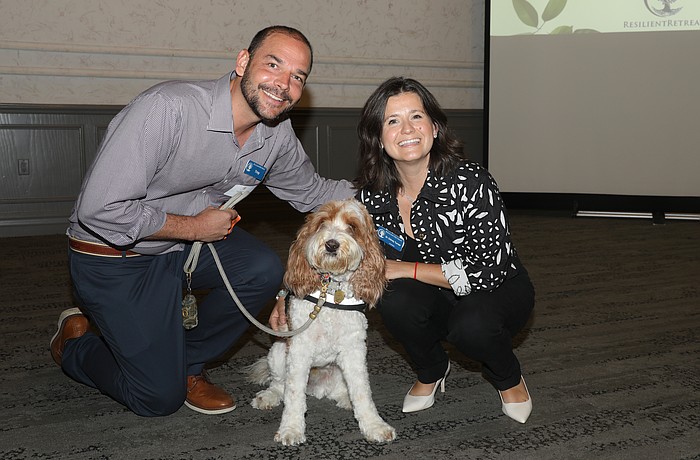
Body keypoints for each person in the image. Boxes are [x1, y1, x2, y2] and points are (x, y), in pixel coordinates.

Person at [50, 25, 354, 417]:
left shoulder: (275, 133)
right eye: (274, 65)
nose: (284, 84)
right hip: (112, 257)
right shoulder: (167, 108)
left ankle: (188, 365)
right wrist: (195, 228)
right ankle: (74, 343)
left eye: (298, 76)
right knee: (156, 399)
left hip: (181, 249)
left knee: (261, 268)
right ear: (243, 61)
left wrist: (392, 192)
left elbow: (312, 192)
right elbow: (101, 210)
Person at [355, 77, 535, 423]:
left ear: (435, 127)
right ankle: (432, 369)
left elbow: (486, 273)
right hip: (431, 295)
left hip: (494, 289)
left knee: (472, 325)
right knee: (392, 298)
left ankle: (508, 376)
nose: (406, 129)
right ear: (378, 137)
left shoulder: (471, 182)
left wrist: (407, 269)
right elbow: (356, 258)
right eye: (392, 121)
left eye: (416, 117)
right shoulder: (371, 196)